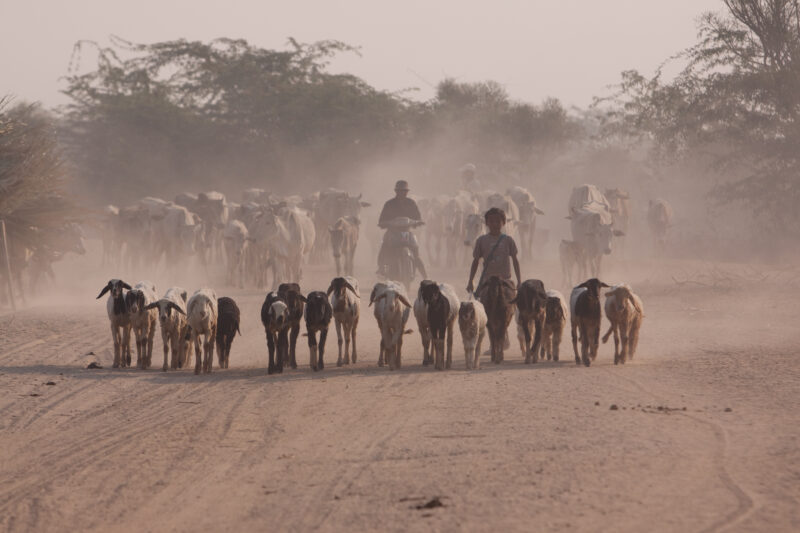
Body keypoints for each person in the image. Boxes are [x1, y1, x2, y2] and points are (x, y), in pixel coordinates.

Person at [376, 180, 427, 278]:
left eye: (404, 191)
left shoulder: (411, 203)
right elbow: (382, 219)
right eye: (400, 191)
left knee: (416, 253)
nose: (402, 193)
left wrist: (418, 222)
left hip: (408, 231)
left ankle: (425, 277)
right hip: (392, 232)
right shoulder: (389, 204)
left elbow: (418, 217)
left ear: (407, 192)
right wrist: (383, 223)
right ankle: (381, 268)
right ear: (396, 191)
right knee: (384, 247)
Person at [466, 207, 521, 297]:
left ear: (503, 223)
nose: (494, 224)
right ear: (486, 223)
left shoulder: (508, 240)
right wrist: (470, 281)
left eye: (498, 222)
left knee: (513, 304)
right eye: (491, 221)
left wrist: (519, 281)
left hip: (505, 282)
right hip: (487, 282)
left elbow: (515, 260)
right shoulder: (481, 240)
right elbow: (475, 261)